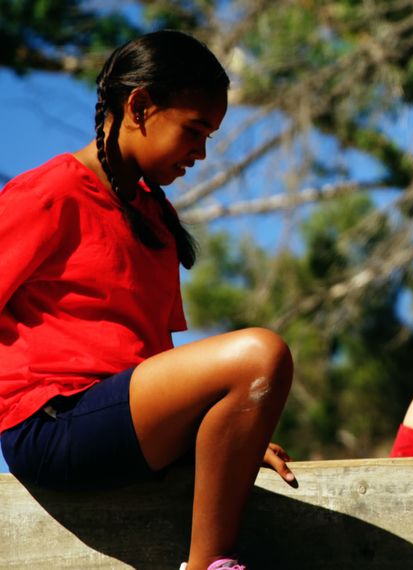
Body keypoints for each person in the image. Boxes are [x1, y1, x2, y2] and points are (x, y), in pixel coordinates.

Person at [0, 31, 295, 570]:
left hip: (118, 422)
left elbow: (153, 355)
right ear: (140, 106)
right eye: (195, 130)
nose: (202, 153)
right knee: (260, 354)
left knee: (251, 375)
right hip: (51, 423)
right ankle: (208, 565)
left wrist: (222, 437)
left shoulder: (155, 218)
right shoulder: (50, 192)